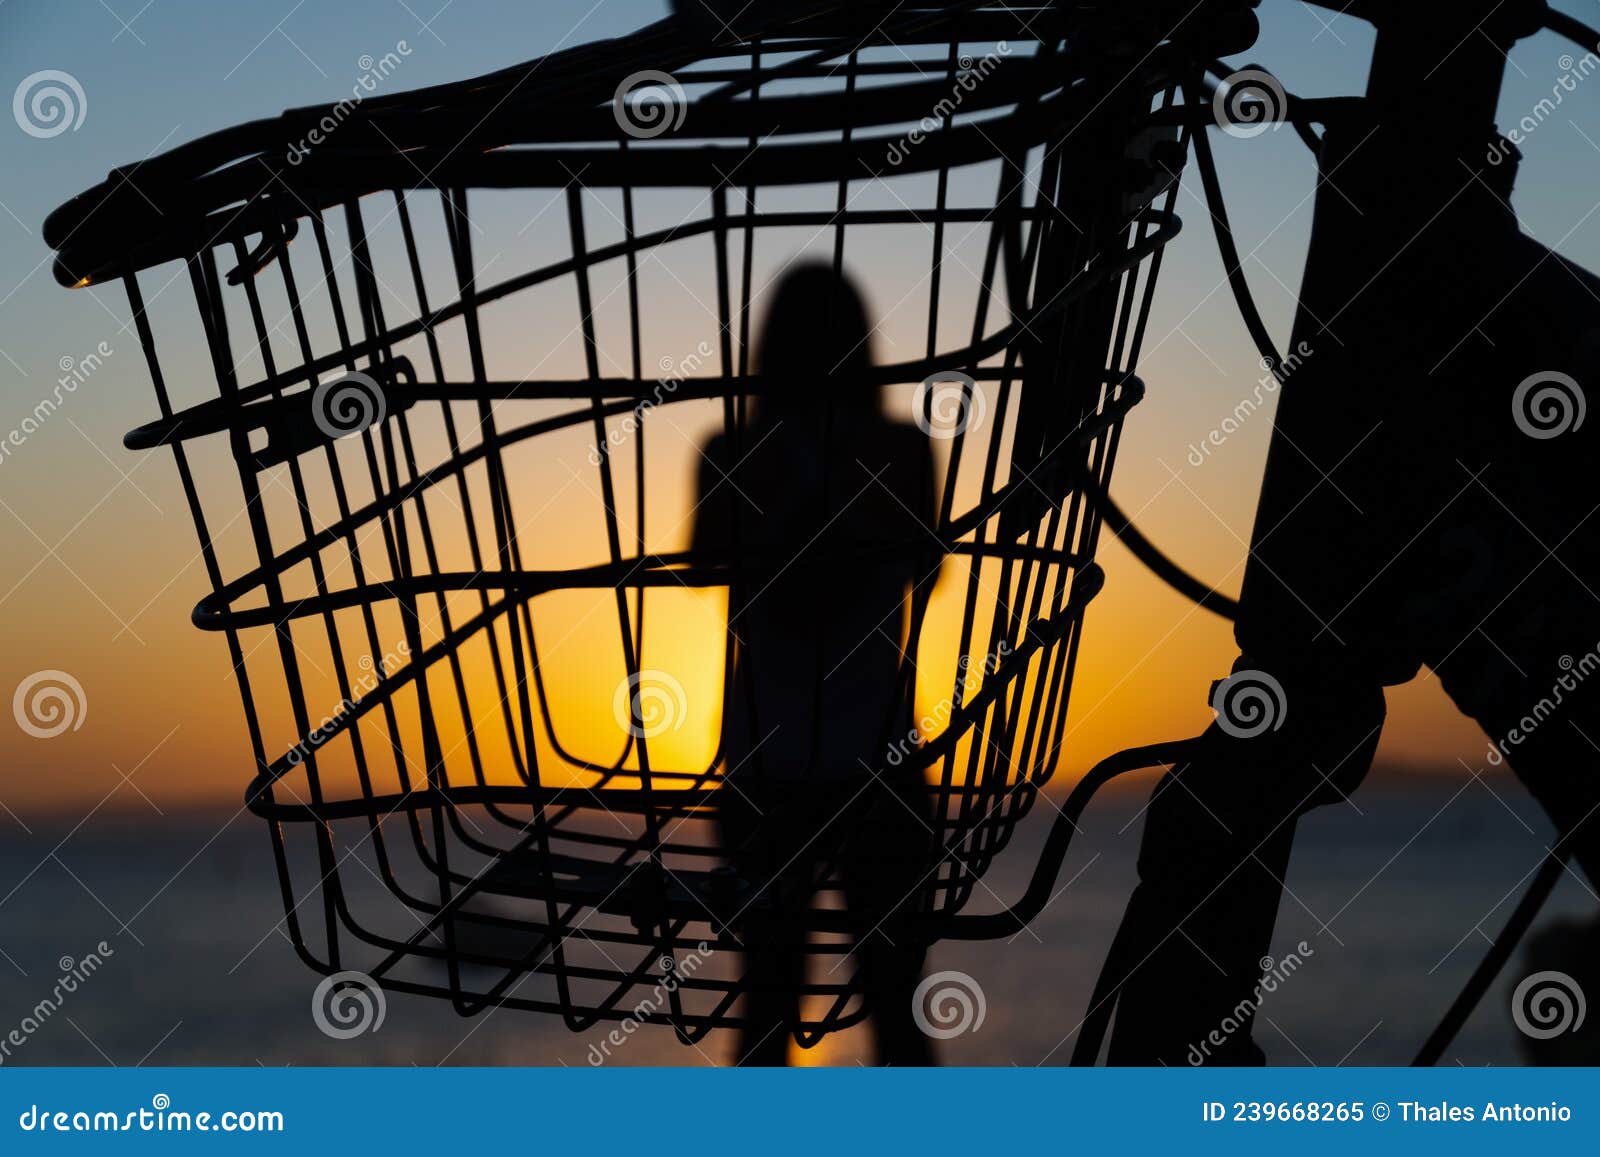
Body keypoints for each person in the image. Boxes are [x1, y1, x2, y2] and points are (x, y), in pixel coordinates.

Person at [692, 261, 941, 1065]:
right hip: (881, 759)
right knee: (898, 1009)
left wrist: (784, 531)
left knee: (766, 1005)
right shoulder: (899, 448)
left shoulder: (733, 448)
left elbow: (700, 566)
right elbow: (927, 570)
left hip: (768, 762)